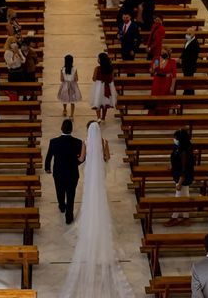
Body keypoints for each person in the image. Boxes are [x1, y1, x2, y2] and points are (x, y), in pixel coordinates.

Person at [59, 121, 133, 298]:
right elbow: (107, 158)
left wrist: (72, 159)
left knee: (89, 194)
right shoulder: (104, 142)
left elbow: (81, 159)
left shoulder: (86, 142)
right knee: (100, 193)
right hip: (100, 174)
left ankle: (89, 221)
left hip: (90, 173)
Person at [44, 119, 85, 225]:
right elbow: (82, 157)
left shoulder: (54, 142)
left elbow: (49, 156)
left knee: (59, 191)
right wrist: (75, 163)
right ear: (71, 129)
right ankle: (69, 217)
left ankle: (62, 206)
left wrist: (47, 168)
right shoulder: (78, 142)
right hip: (72, 173)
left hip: (58, 172)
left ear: (61, 128)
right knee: (71, 195)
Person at [164, 129, 194, 227]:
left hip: (183, 178)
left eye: (176, 138)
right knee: (185, 196)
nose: (174, 139)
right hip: (179, 176)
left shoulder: (185, 151)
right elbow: (175, 159)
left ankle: (174, 218)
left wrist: (180, 182)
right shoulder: (179, 147)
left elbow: (185, 168)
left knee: (179, 198)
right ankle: (186, 218)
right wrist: (172, 166)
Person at [90, 52, 117, 122]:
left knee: (97, 101)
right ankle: (103, 117)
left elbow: (94, 79)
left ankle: (98, 117)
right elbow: (112, 78)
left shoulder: (97, 69)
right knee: (105, 101)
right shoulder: (111, 69)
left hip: (99, 86)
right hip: (107, 86)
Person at [150, 48, 177, 115]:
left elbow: (174, 76)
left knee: (164, 99)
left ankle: (163, 115)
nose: (162, 54)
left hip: (166, 82)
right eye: (161, 52)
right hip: (157, 81)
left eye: (164, 53)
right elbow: (152, 71)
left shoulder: (172, 61)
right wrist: (153, 68)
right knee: (154, 98)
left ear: (168, 54)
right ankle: (152, 114)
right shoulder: (157, 59)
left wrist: (172, 87)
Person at [57, 54, 82, 120]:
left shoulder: (62, 69)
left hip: (65, 85)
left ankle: (65, 110)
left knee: (64, 99)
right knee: (72, 101)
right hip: (72, 86)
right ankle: (71, 115)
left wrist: (66, 79)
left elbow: (61, 79)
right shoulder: (74, 69)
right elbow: (76, 79)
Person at [179, 28, 200, 95]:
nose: (187, 35)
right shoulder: (189, 40)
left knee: (189, 80)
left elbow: (193, 58)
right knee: (187, 79)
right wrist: (181, 58)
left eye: (189, 34)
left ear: (193, 34)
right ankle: (187, 91)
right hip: (186, 65)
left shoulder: (195, 44)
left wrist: (184, 60)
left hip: (190, 66)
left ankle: (189, 94)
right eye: (186, 33)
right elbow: (184, 50)